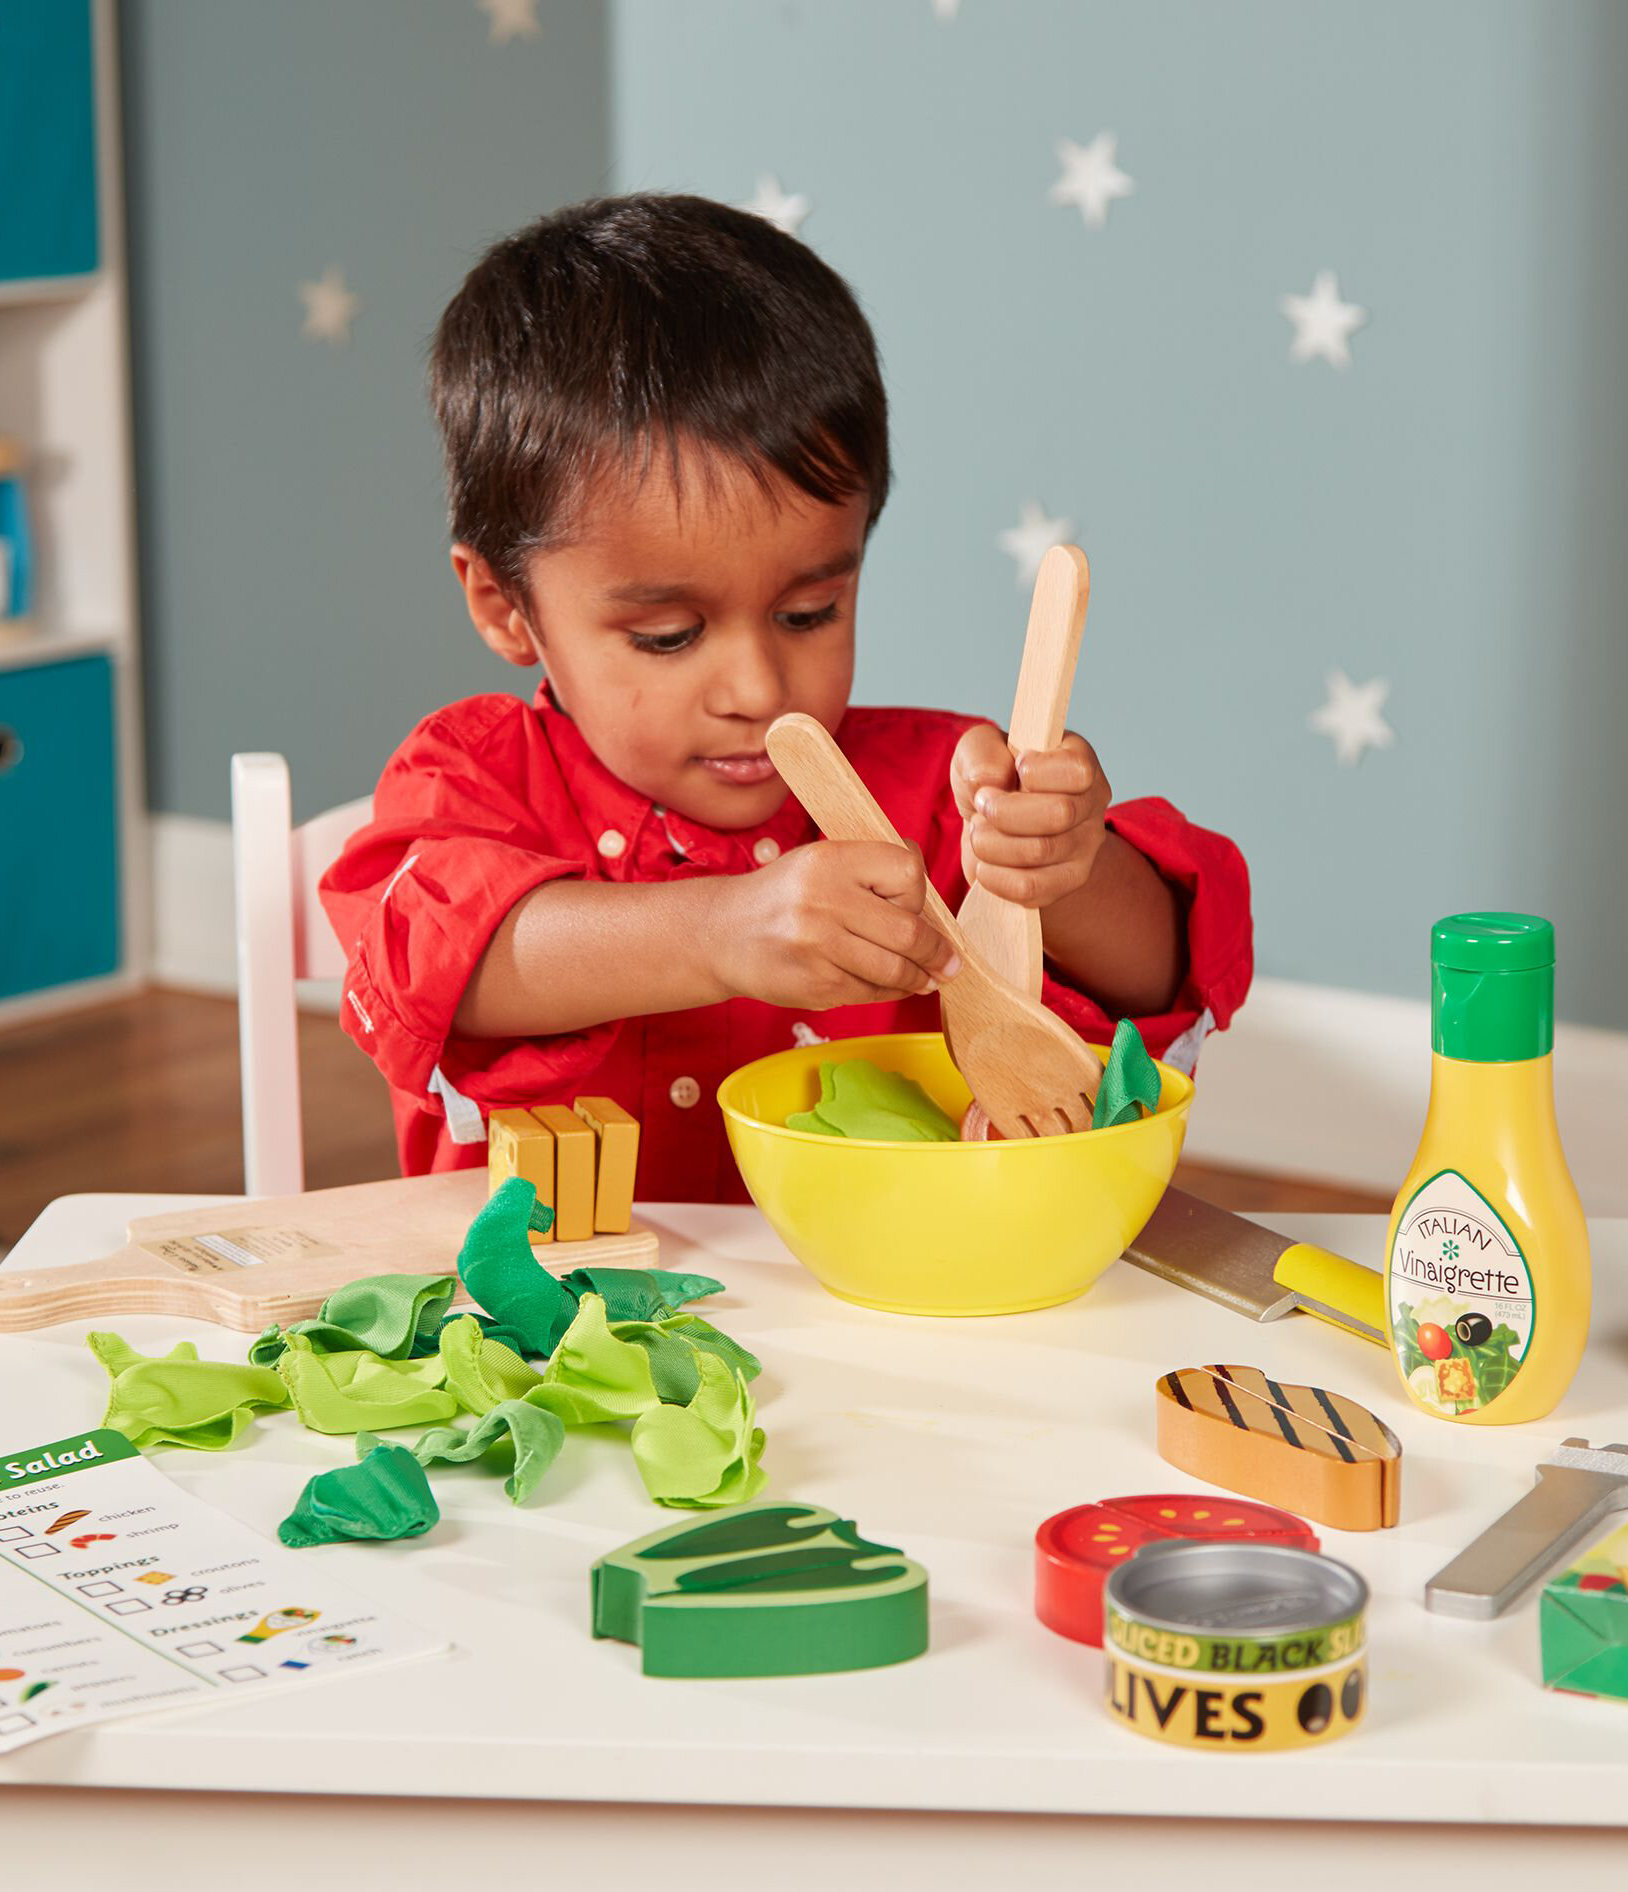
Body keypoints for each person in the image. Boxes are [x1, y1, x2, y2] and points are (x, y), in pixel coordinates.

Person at [322, 194, 1252, 1200]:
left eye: (809, 611)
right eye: (668, 635)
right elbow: (430, 965)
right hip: (560, 1335)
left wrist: (1062, 868)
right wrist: (716, 930)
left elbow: (1159, 973)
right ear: (506, 606)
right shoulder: (472, 779)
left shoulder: (942, 791)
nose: (761, 690)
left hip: (883, 1319)